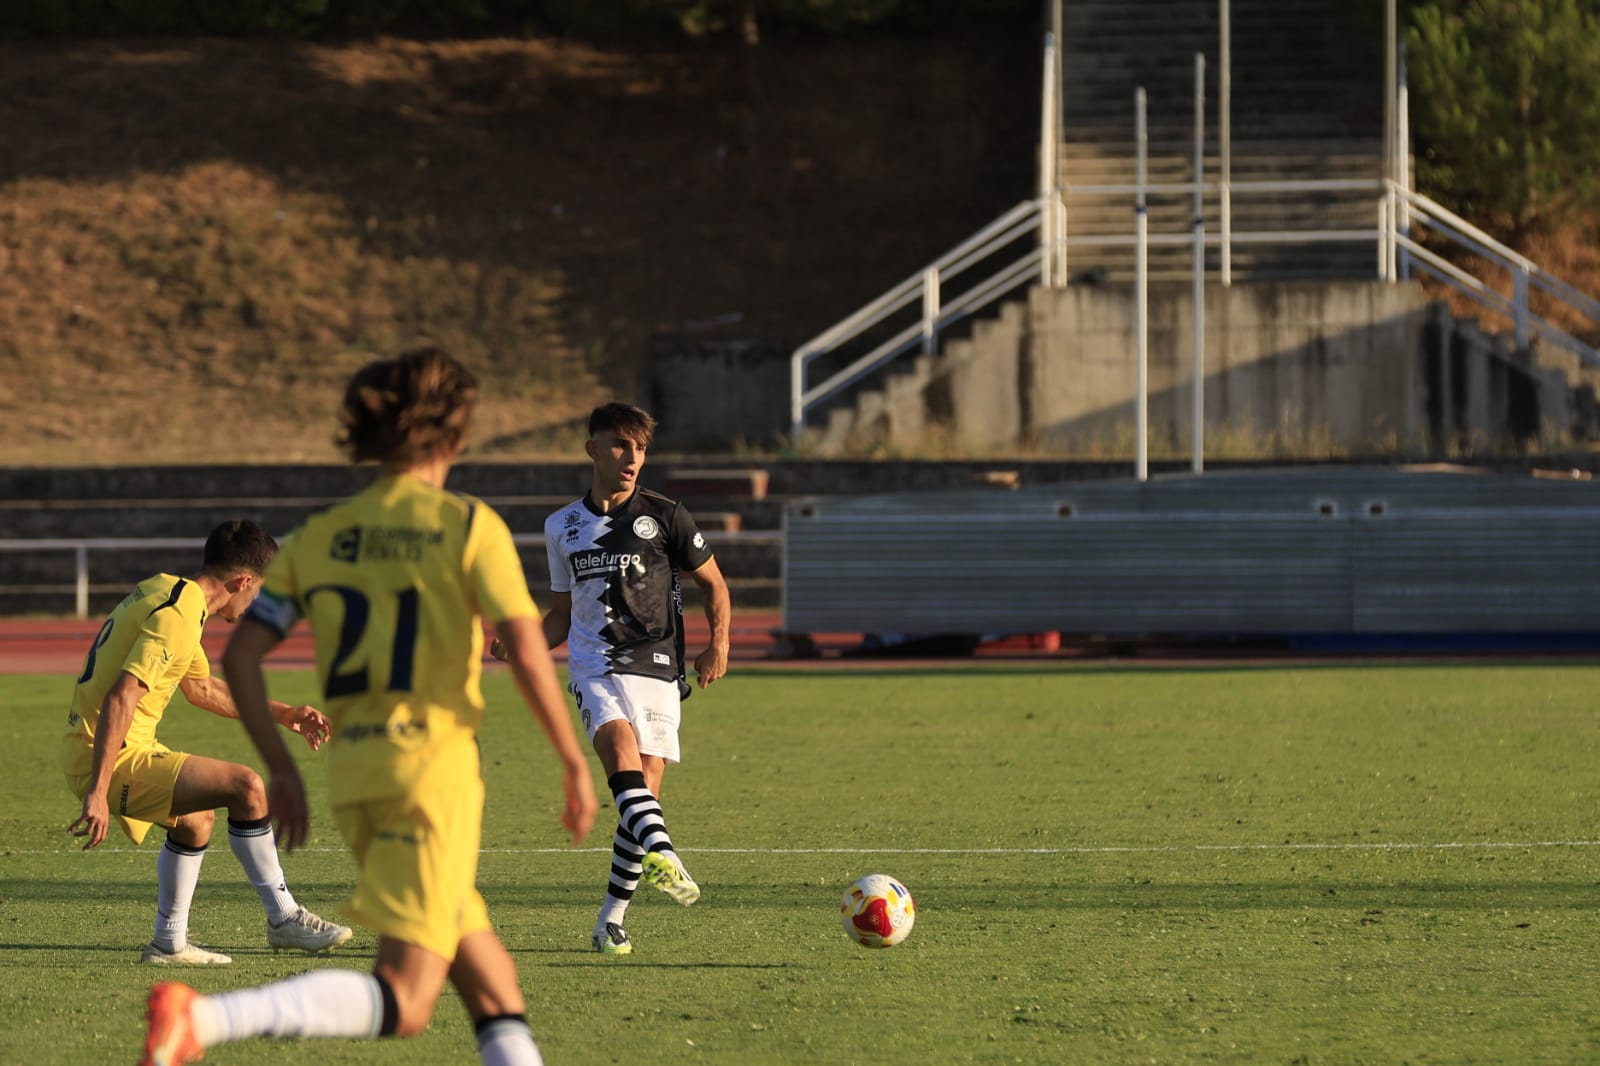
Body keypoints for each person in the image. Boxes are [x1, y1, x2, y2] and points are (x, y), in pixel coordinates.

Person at [141, 347, 597, 1066]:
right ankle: (205, 1021)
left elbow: (239, 655)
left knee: (493, 986)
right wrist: (574, 761)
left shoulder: (323, 537)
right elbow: (531, 650)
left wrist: (280, 771)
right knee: (408, 998)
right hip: (434, 775)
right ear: (455, 431)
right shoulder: (466, 526)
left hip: (359, 778)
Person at [62, 519, 352, 965]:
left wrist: (285, 714)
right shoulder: (179, 618)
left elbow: (202, 689)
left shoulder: (169, 592)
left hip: (109, 745)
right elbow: (123, 695)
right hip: (110, 753)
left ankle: (168, 944)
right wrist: (98, 791)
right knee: (247, 786)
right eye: (258, 594)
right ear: (242, 581)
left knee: (195, 821)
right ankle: (284, 918)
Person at [500, 400, 731, 956]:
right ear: (593, 449)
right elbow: (560, 612)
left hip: (658, 664)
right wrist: (526, 639)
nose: (633, 459)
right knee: (619, 751)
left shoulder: (667, 515)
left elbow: (715, 586)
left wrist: (717, 643)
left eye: (642, 448)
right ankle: (667, 853)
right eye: (623, 445)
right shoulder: (563, 526)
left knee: (642, 795)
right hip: (594, 663)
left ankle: (611, 918)